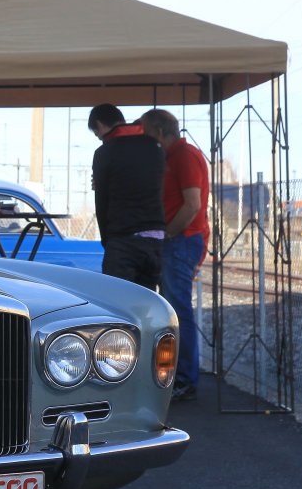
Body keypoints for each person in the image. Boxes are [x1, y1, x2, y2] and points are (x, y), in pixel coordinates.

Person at [141, 108, 210, 401]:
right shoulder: (176, 156)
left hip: (182, 240)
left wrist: (169, 233)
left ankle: (184, 379)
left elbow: (192, 204)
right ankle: (179, 376)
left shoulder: (184, 156)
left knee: (178, 309)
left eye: (146, 133)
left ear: (159, 132)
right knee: (174, 307)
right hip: (179, 239)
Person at [87, 103, 165, 290]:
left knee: (118, 301)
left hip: (123, 240)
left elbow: (102, 203)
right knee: (148, 301)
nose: (100, 138)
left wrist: (107, 241)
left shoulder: (104, 152)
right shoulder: (155, 147)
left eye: (97, 134)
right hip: (157, 239)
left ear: (100, 125)